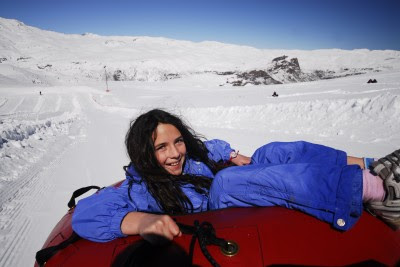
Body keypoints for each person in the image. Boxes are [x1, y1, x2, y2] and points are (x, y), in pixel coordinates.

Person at [72, 109, 400, 244]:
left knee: (269, 152)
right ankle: (379, 192)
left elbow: (209, 147)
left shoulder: (191, 157)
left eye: (178, 141)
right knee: (227, 181)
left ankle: (372, 168)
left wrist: (231, 154)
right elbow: (84, 215)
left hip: (234, 197)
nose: (175, 153)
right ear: (144, 153)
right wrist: (141, 222)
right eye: (161, 147)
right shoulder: (138, 189)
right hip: (219, 216)